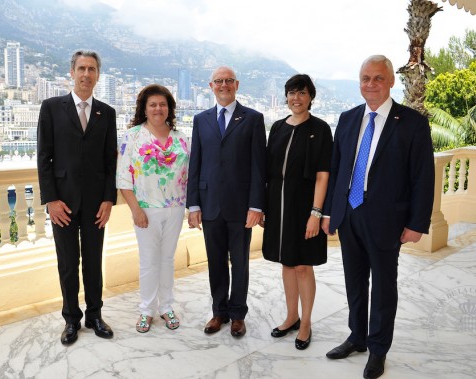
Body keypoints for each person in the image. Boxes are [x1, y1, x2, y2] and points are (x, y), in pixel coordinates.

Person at [322, 55, 434, 379]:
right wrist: (330, 212)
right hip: (349, 216)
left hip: (387, 220)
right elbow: (337, 170)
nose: (371, 84)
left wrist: (416, 223)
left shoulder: (412, 123)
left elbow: (422, 178)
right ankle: (357, 337)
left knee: (383, 287)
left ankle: (378, 350)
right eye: (365, 78)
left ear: (390, 81)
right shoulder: (346, 119)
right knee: (355, 284)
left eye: (378, 78)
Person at [37, 50, 118, 345]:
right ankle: (71, 319)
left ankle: (94, 315)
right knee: (68, 263)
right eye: (81, 68)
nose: (86, 74)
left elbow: (111, 162)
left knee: (94, 261)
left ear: (98, 75)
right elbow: (44, 158)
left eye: (92, 69)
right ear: (71, 72)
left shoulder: (106, 113)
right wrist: (51, 200)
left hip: (97, 204)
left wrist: (109, 200)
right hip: (63, 204)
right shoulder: (50, 108)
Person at [186, 66, 266, 337]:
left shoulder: (253, 119)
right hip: (209, 205)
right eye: (218, 81)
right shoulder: (201, 120)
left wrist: (256, 206)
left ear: (237, 84)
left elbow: (259, 166)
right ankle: (218, 312)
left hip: (241, 206)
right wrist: (193, 205)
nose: (224, 85)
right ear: (210, 86)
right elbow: (195, 163)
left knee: (240, 262)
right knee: (215, 261)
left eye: (228, 81)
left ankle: (237, 315)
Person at [262, 74, 332, 350]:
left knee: (303, 265)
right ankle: (291, 317)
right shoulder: (277, 127)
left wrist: (316, 213)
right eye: (292, 93)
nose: (296, 98)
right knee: (287, 263)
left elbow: (323, 176)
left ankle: (306, 323)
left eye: (302, 93)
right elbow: (269, 173)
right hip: (278, 207)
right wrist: (265, 208)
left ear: (311, 97)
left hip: (305, 207)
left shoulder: (321, 129)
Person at [116, 84, 189, 333]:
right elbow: (124, 177)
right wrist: (136, 210)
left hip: (176, 208)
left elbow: (189, 174)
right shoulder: (132, 136)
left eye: (163, 104)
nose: (158, 108)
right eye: (153, 104)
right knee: (148, 261)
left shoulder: (181, 138)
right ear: (144, 109)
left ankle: (166, 307)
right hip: (145, 209)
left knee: (168, 260)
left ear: (169, 108)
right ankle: (146, 310)